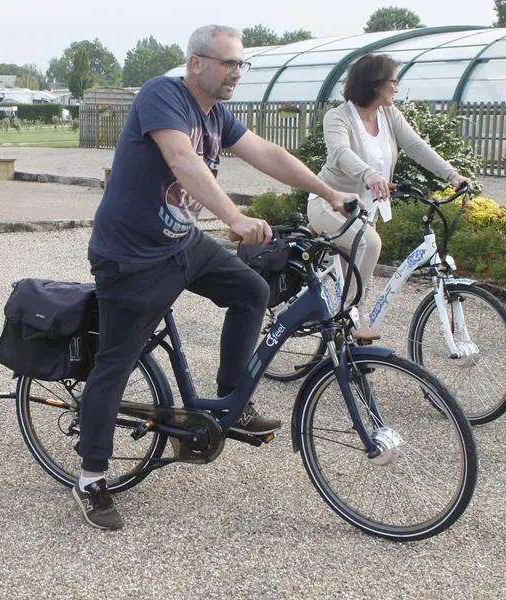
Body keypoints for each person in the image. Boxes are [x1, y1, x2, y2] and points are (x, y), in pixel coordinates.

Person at [73, 24, 356, 531]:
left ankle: (233, 400)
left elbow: (267, 153)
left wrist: (328, 191)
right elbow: (183, 161)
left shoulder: (217, 114)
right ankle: (92, 477)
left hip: (182, 245)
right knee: (115, 364)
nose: (237, 73)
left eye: (241, 64)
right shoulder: (164, 95)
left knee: (252, 289)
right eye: (228, 63)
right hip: (131, 257)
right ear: (197, 62)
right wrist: (234, 218)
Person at [307, 53, 468, 338]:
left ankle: (340, 340)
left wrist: (452, 175)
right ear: (374, 83)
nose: (397, 87)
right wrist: (369, 173)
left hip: (366, 211)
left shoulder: (389, 115)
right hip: (329, 205)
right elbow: (340, 153)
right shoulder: (338, 117)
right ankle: (348, 319)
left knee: (351, 278)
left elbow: (416, 146)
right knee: (369, 245)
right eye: (393, 81)